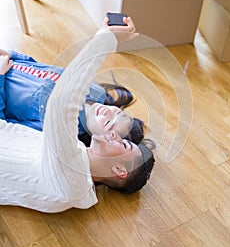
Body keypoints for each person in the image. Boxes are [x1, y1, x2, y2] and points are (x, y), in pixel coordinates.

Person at [0, 16, 155, 213]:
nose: (115, 135)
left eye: (124, 144)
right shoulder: (74, 157)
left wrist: (108, 38)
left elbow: (62, 102)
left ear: (118, 170)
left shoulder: (72, 179)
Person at [0, 48, 144, 145]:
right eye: (117, 112)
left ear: (97, 139)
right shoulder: (92, 90)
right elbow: (42, 67)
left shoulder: (56, 125)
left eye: (108, 123)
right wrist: (12, 55)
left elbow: (4, 125)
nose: (108, 112)